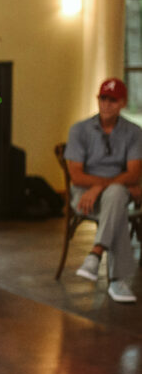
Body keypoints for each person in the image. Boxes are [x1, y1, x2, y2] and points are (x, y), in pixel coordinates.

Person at [65, 77, 142, 303]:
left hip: (114, 193)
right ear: (98, 100)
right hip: (85, 196)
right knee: (117, 200)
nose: (107, 104)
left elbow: (134, 173)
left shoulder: (134, 132)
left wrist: (100, 186)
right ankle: (118, 281)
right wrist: (99, 187)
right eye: (103, 98)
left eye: (113, 100)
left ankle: (95, 254)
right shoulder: (79, 130)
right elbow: (76, 175)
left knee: (116, 196)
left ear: (123, 103)